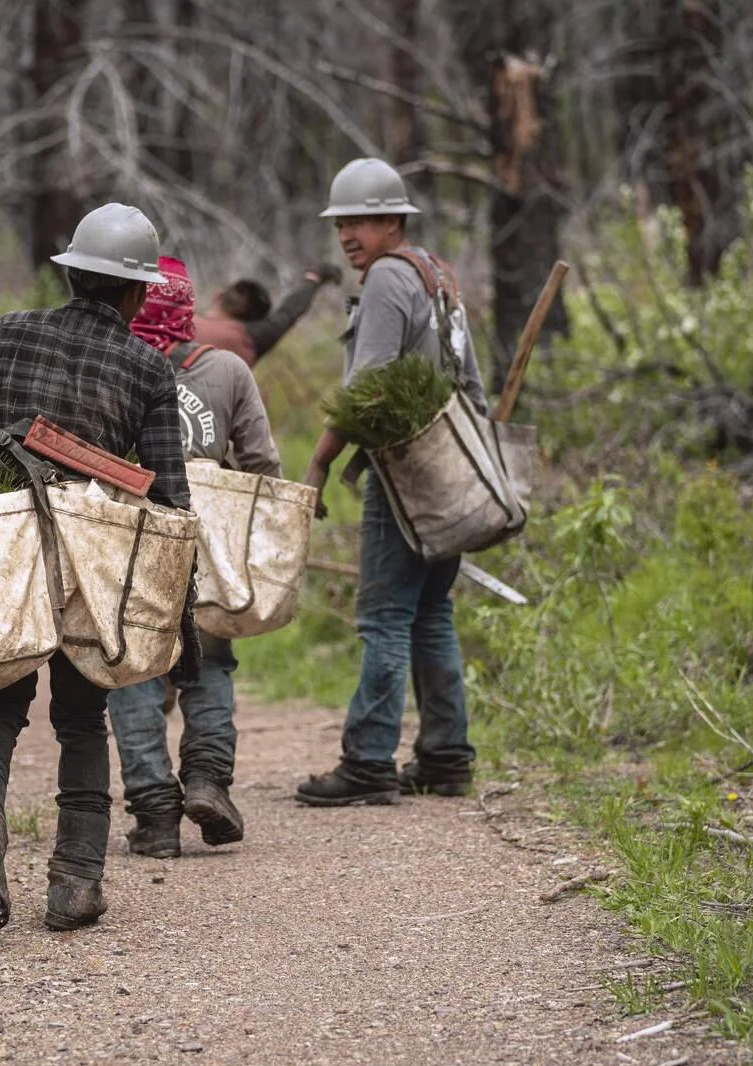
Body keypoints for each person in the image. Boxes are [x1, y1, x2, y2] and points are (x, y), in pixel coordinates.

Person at [0, 203, 192, 932]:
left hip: (7, 543)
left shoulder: (9, 331)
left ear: (71, 274)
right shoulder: (149, 367)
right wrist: (181, 610)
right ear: (138, 293)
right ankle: (75, 878)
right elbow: (171, 497)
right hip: (95, 555)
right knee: (83, 720)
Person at [295, 158, 488, 807]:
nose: (348, 234)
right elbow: (473, 385)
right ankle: (444, 757)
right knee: (431, 611)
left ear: (392, 220)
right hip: (448, 472)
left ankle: (369, 761)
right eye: (341, 222)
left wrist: (320, 463)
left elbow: (366, 388)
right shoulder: (438, 275)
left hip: (403, 473)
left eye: (361, 220)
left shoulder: (385, 279)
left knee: (384, 616)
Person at [106, 255, 280, 858]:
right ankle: (207, 781)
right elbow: (262, 465)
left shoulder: (111, 366)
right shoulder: (228, 369)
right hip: (210, 547)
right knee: (211, 664)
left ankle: (155, 816)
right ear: (186, 310)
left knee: (131, 673)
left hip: (127, 544)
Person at [191, 263, 343, 367]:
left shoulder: (176, 323)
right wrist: (314, 277)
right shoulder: (246, 340)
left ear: (217, 296)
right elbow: (288, 312)